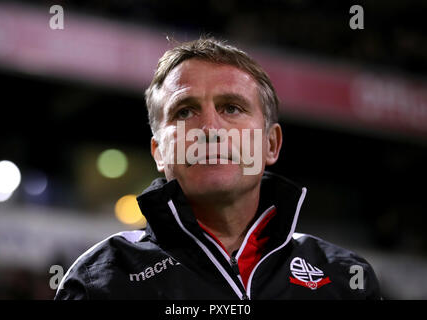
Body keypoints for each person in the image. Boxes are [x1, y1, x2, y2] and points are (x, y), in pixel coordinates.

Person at [55, 37, 381, 300]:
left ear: (271, 144)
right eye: (184, 112)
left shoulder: (345, 278)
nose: (209, 128)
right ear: (159, 152)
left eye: (232, 108)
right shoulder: (102, 280)